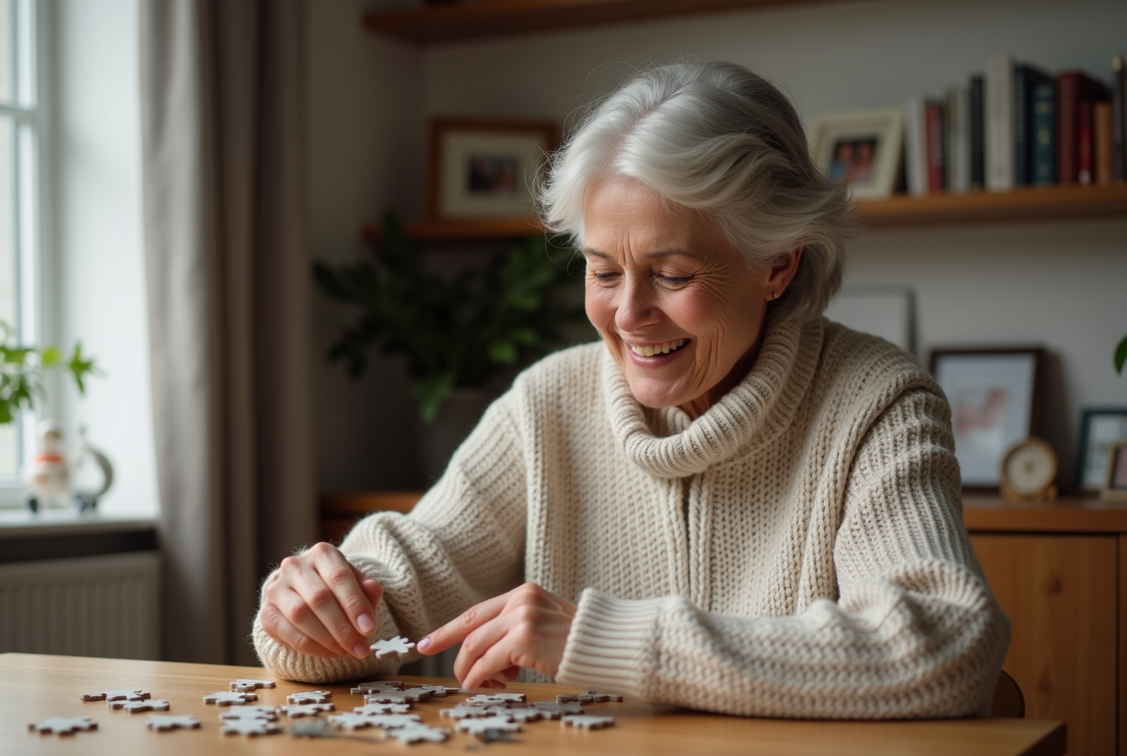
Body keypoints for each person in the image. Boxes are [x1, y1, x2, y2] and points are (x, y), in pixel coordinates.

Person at [253, 61, 1009, 719]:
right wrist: (321, 608)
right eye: (604, 270)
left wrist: (599, 639)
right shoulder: (548, 403)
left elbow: (946, 643)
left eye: (673, 274)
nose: (627, 313)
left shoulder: (876, 402)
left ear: (777, 263)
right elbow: (415, 569)